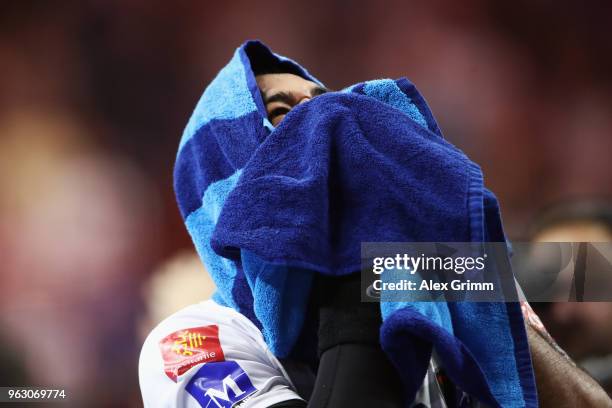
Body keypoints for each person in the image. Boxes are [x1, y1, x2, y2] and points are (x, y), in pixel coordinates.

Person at [139, 43, 612, 408]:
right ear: (227, 170)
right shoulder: (191, 340)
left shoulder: (432, 270)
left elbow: (592, 274)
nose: (326, 125)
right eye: (284, 113)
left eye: (329, 105)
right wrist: (357, 279)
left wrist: (478, 293)